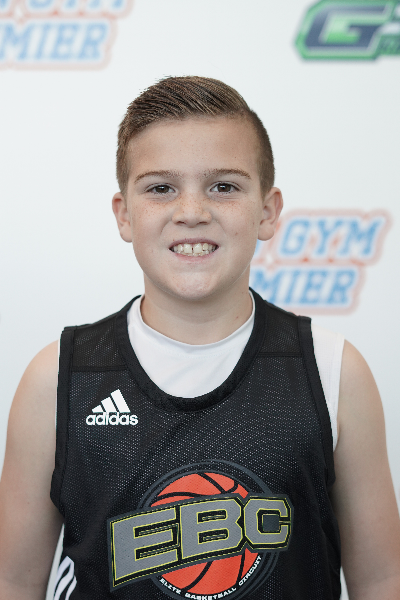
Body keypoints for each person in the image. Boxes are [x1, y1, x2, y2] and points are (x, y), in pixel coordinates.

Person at [0, 76, 399, 600]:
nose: (191, 211)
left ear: (267, 211)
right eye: (161, 188)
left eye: (224, 186)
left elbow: (381, 579)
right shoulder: (58, 378)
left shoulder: (333, 369)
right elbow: (13, 581)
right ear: (124, 214)